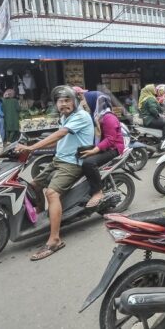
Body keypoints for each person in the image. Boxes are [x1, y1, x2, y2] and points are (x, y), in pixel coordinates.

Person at [17, 85, 95, 260]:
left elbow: (60, 135)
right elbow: (59, 140)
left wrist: (31, 148)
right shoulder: (64, 117)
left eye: (67, 100)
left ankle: (54, 239)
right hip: (59, 159)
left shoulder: (80, 116)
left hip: (73, 162)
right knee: (33, 185)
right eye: (60, 101)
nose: (64, 104)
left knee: (52, 193)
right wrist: (34, 146)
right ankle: (40, 216)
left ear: (74, 101)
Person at [79, 94, 124, 208]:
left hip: (113, 148)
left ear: (93, 103)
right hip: (103, 145)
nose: (84, 103)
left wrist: (95, 150)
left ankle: (97, 192)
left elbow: (110, 139)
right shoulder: (97, 116)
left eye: (86, 101)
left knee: (89, 163)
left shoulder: (108, 117)